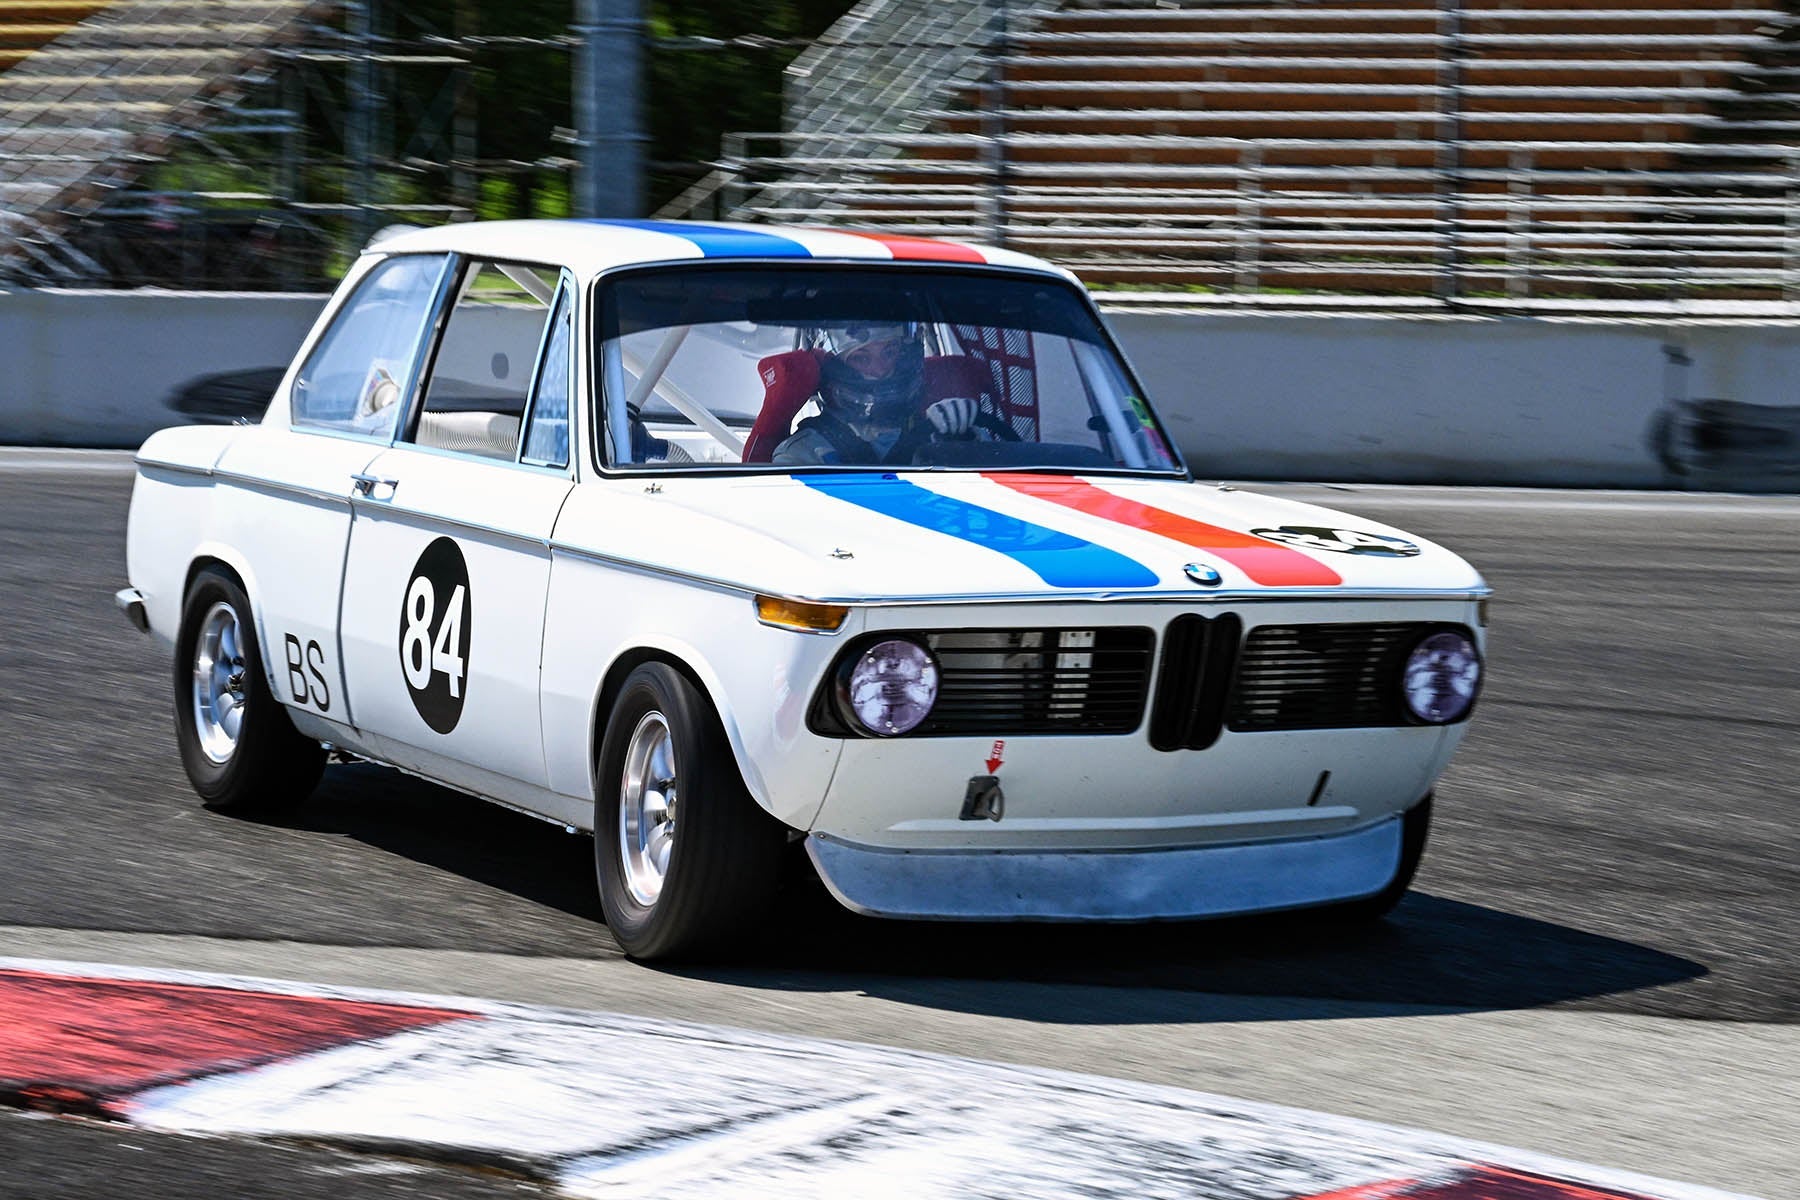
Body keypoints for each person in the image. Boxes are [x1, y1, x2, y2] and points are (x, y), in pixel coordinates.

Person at [772, 322, 979, 466]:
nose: (880, 370)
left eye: (889, 353)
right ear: (835, 369)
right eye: (861, 358)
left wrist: (963, 440)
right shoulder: (802, 455)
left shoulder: (943, 433)